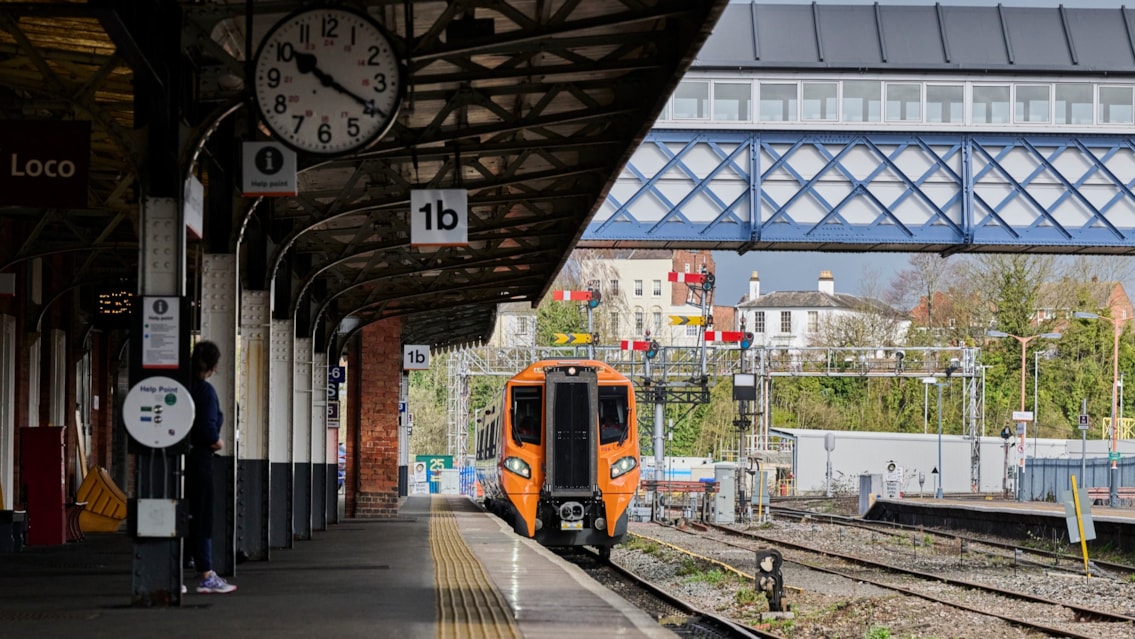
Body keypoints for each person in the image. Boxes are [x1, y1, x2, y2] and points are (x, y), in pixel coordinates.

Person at [186, 340, 237, 594]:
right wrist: (217, 441)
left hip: (174, 459)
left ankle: (175, 569)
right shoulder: (205, 391)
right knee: (202, 515)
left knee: (180, 513)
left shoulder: (181, 386)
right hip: (200, 460)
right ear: (214, 366)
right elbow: (207, 431)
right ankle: (206, 573)